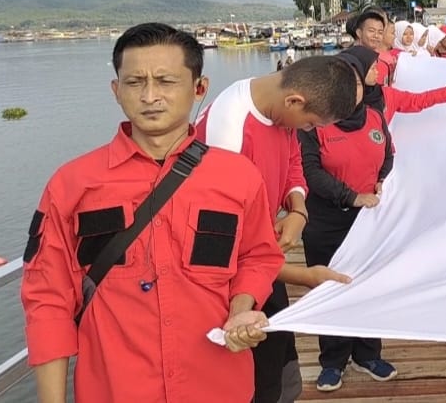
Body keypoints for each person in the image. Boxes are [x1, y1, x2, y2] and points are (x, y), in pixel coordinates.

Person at [21, 23, 283, 402]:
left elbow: (258, 255)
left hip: (217, 385)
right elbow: (47, 300)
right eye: (134, 82)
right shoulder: (72, 184)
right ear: (116, 91)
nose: (150, 96)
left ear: (199, 89)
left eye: (166, 81)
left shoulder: (239, 177)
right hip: (114, 389)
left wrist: (241, 307)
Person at [196, 55, 360, 403]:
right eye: (311, 122)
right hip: (228, 284)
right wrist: (305, 276)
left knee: (280, 367)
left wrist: (298, 207)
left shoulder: (277, 108)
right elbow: (220, 248)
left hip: (263, 261)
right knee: (250, 377)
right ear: (295, 101)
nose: (309, 130)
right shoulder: (227, 132)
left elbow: (293, 161)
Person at [298, 49, 399, 391]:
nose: (351, 89)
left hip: (368, 221)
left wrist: (383, 178)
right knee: (330, 287)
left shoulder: (374, 116)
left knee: (370, 286)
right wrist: (351, 196)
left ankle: (368, 353)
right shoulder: (314, 122)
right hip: (327, 221)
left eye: (356, 81)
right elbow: (309, 171)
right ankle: (333, 360)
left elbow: (389, 155)